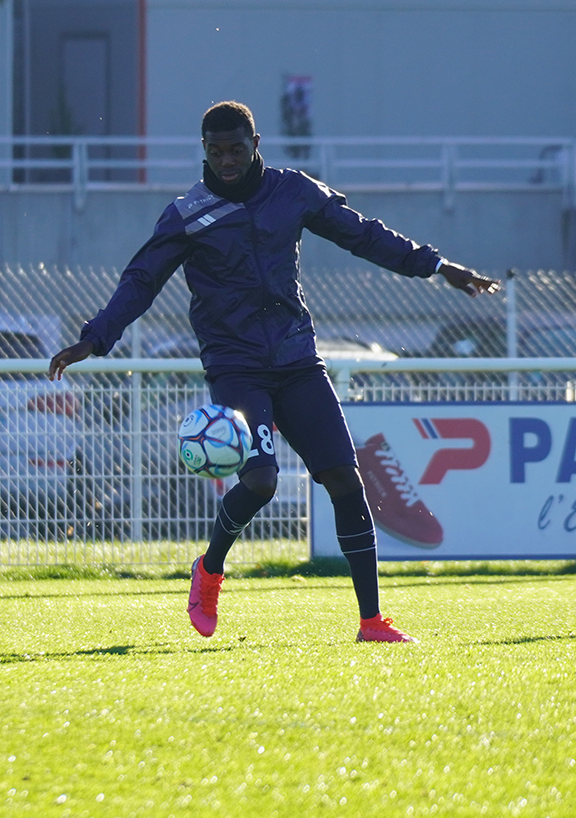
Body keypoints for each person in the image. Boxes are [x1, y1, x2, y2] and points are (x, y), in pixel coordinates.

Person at [48, 101, 500, 643]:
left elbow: (362, 234)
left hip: (296, 359)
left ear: (255, 144)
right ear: (204, 150)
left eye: (236, 149)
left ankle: (371, 622)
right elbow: (141, 280)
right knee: (261, 482)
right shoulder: (188, 214)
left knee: (345, 480)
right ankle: (209, 570)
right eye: (216, 151)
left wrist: (436, 266)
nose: (226, 161)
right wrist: (96, 337)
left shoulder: (292, 191)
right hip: (235, 365)